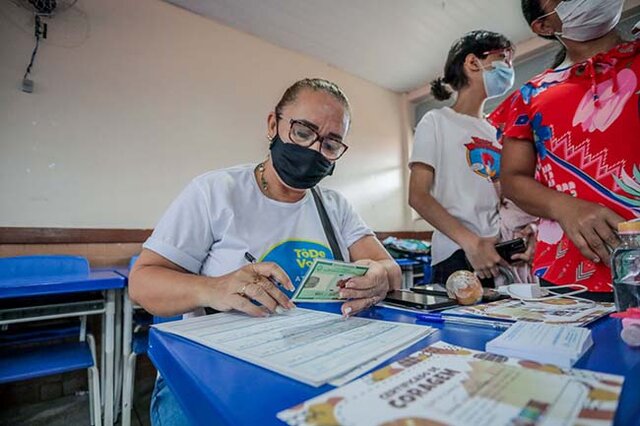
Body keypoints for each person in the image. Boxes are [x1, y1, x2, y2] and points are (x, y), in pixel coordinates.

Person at [129, 78, 402, 425]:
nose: (315, 151)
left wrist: (377, 276)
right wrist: (213, 288)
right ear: (274, 124)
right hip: (220, 370)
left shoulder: (334, 206)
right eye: (304, 132)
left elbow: (387, 268)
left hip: (318, 362)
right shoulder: (216, 192)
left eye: (331, 144)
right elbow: (143, 283)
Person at [489, 0, 640, 299]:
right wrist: (565, 207)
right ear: (544, 25)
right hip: (569, 272)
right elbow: (514, 179)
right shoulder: (530, 96)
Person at [409, 30, 532, 287]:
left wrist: (527, 234)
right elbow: (418, 196)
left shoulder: (498, 131)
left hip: (500, 253)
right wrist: (471, 243)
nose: (510, 67)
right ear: (473, 62)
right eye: (503, 59)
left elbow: (506, 195)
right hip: (457, 252)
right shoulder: (437, 121)